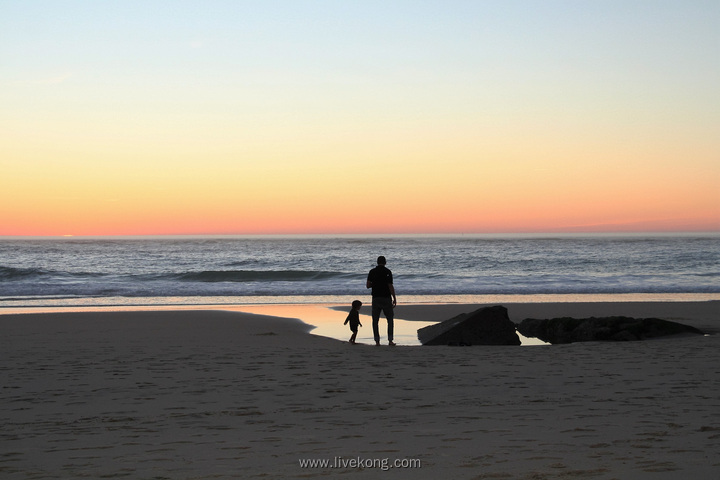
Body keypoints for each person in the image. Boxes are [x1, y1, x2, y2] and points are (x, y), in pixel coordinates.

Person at [366, 255, 397, 346]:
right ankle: (390, 340)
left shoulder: (372, 272)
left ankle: (377, 341)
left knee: (375, 320)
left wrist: (375, 284)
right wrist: (394, 298)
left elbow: (368, 285)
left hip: (376, 298)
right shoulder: (387, 272)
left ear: (377, 262)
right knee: (390, 319)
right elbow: (390, 286)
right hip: (386, 298)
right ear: (385, 262)